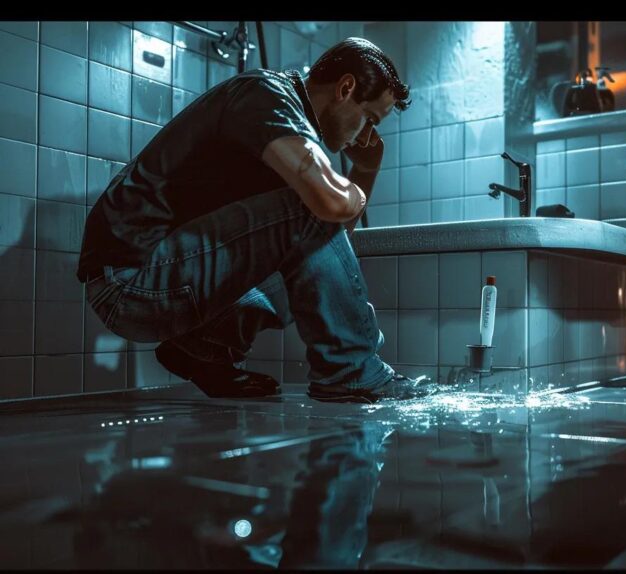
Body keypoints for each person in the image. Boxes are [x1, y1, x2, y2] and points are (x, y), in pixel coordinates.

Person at [77, 37, 431, 403]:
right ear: (345, 88)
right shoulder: (265, 95)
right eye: (369, 120)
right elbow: (327, 206)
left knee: (308, 258)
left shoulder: (289, 135)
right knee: (306, 209)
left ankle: (203, 352)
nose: (367, 135)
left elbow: (329, 249)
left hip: (161, 279)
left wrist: (364, 170)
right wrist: (358, 184)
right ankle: (354, 373)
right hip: (129, 283)